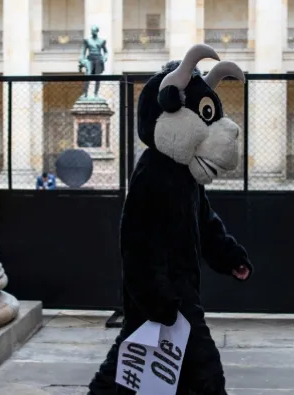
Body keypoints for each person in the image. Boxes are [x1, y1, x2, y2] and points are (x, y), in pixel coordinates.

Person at [87, 45, 250, 395]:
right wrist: (157, 298)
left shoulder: (184, 173)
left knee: (133, 373)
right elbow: (136, 243)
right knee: (203, 372)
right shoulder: (153, 174)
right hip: (162, 298)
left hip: (177, 293)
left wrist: (228, 255)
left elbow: (205, 222)